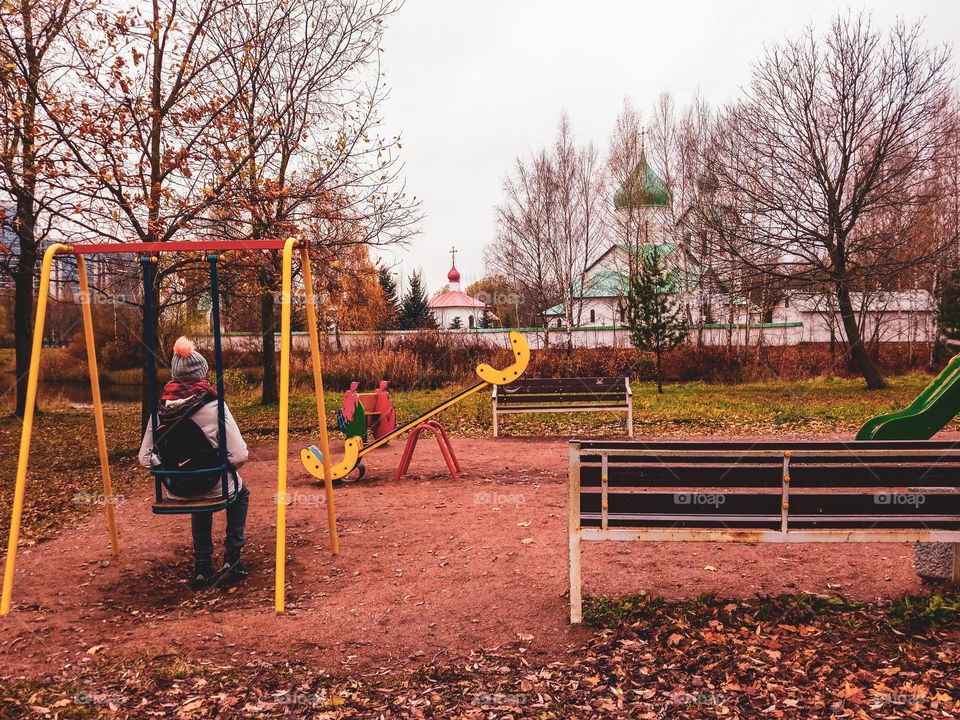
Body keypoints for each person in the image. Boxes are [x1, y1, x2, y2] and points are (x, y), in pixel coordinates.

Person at [139, 336, 250, 589]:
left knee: (201, 498)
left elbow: (145, 457)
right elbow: (238, 455)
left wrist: (169, 469)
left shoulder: (160, 410)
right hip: (213, 484)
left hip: (176, 489)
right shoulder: (214, 405)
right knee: (239, 492)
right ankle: (232, 556)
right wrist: (217, 462)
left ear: (175, 375)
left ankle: (202, 564)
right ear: (202, 374)